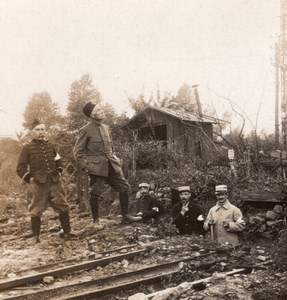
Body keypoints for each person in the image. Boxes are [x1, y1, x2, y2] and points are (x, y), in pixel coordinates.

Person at [73, 101, 139, 226]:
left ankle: (125, 216)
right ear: (92, 115)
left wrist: (116, 159)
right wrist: (85, 167)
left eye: (101, 108)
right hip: (96, 168)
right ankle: (96, 221)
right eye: (98, 110)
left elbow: (110, 148)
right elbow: (77, 152)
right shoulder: (85, 130)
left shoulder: (106, 128)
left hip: (111, 165)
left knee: (124, 188)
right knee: (95, 193)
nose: (102, 111)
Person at [16, 120, 75, 244]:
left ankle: (67, 232)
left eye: (43, 129)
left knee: (63, 206)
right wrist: (30, 179)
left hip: (55, 181)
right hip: (38, 183)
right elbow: (20, 168)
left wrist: (59, 171)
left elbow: (59, 161)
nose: (41, 132)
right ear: (32, 132)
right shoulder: (27, 148)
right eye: (38, 130)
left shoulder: (50, 146)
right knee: (36, 210)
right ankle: (35, 237)